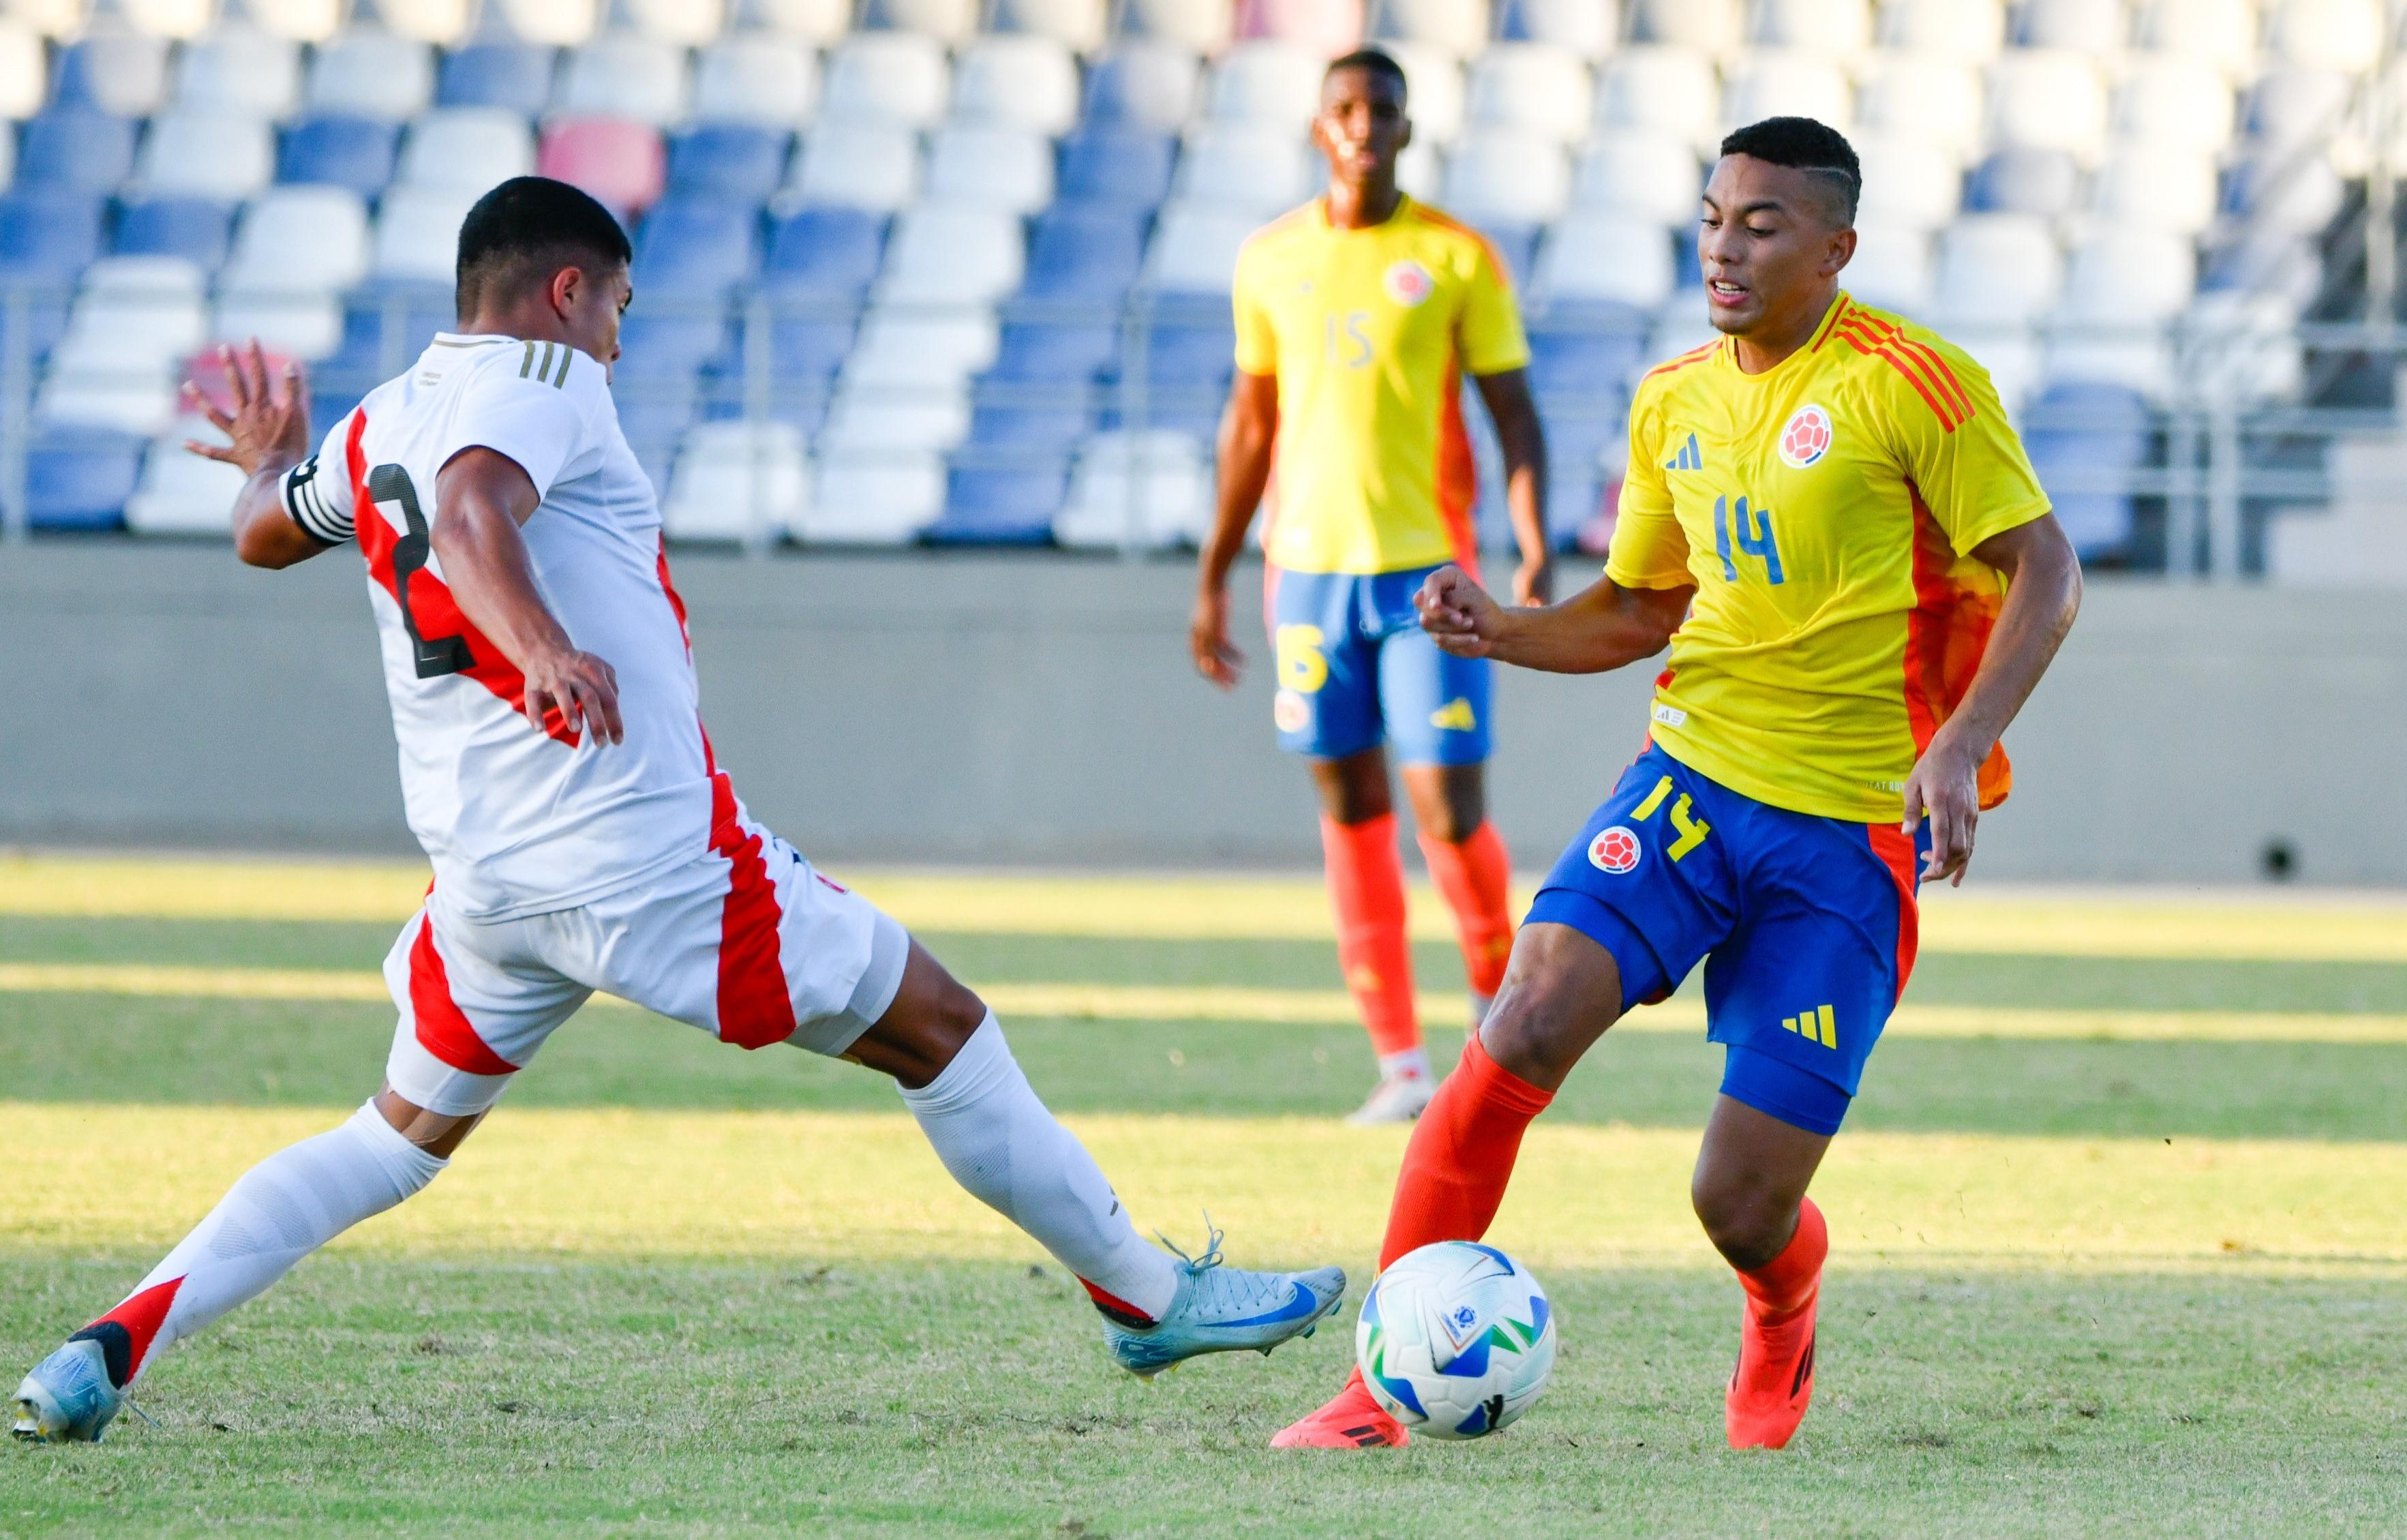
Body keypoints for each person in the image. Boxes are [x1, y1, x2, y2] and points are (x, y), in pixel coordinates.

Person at [12, 177, 1345, 1445]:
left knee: (393, 1136)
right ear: (568, 293)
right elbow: (478, 508)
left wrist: (272, 460)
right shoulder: (548, 379)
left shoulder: (372, 425)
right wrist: (537, 643)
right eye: (620, 313)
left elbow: (264, 528)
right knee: (944, 1027)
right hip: (645, 858)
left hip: (487, 884)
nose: (618, 343)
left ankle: (110, 1339)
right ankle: (1145, 1294)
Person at [1269, 118, 2083, 1451]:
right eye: (1713, 216)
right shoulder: (1674, 400)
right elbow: (1644, 608)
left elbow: (2047, 568)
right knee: (1526, 1012)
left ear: (1838, 248)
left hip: (1845, 840)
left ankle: (1784, 1306)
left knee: (1739, 1202)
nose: (1724, 245)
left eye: (1762, 224)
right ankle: (1377, 1387)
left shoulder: (1912, 384)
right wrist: (1504, 626)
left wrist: (1956, 746)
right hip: (1690, 784)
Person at [1190, 49, 1551, 1126]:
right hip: (1304, 578)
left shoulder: (1454, 257)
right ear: (1319, 130)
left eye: (1381, 110)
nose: (1362, 127)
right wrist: (1210, 575)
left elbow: (1514, 416)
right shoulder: (1267, 260)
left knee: (1446, 806)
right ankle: (1399, 1063)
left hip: (1427, 578)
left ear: (1405, 127)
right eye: (1343, 110)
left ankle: (1499, 1021)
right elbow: (1250, 428)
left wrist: (1529, 547)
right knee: (1350, 808)